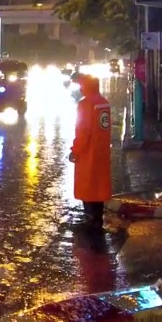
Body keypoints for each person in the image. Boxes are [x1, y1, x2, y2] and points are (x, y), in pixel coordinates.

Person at [69, 75, 112, 227]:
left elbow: (83, 131)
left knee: (87, 185)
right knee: (99, 186)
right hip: (102, 151)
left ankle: (90, 218)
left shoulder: (86, 104)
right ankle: (97, 217)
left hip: (89, 153)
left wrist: (76, 150)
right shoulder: (103, 103)